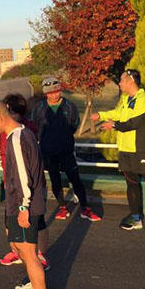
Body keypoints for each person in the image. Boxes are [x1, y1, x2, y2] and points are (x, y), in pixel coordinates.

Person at [0, 100, 54, 289]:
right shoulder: (25, 133)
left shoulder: (16, 139)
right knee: (22, 249)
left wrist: (24, 206)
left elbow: (23, 176)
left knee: (29, 254)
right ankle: (36, 283)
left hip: (24, 204)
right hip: (25, 202)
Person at [92, 69, 145, 236]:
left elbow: (133, 123)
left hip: (141, 150)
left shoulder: (143, 100)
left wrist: (113, 125)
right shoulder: (126, 98)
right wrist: (101, 115)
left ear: (131, 81)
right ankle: (136, 218)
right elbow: (118, 113)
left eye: (122, 80)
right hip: (125, 150)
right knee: (131, 183)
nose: (119, 83)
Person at [31, 77, 100, 223]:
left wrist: (64, 136)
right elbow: (34, 126)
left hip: (66, 150)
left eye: (56, 91)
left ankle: (85, 207)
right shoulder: (39, 108)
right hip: (48, 152)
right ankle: (62, 206)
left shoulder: (70, 106)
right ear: (45, 93)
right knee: (55, 180)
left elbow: (74, 124)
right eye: (50, 93)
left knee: (75, 179)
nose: (54, 95)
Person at [0, 94, 49, 271]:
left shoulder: (25, 131)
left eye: (10, 111)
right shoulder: (4, 131)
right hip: (11, 182)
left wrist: (24, 204)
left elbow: (25, 167)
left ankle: (38, 256)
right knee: (9, 220)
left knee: (37, 222)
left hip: (30, 184)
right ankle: (17, 251)